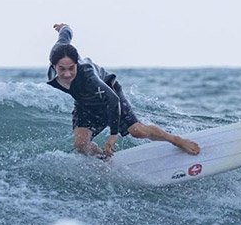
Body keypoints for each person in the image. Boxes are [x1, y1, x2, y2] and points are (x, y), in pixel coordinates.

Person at [46, 23, 199, 159]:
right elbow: (65, 35)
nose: (67, 74)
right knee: (81, 145)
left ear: (76, 65)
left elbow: (112, 100)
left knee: (137, 131)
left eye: (71, 68)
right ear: (54, 66)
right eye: (62, 69)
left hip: (109, 93)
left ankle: (176, 140)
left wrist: (113, 135)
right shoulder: (58, 55)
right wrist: (63, 27)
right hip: (85, 102)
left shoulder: (88, 77)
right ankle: (104, 159)